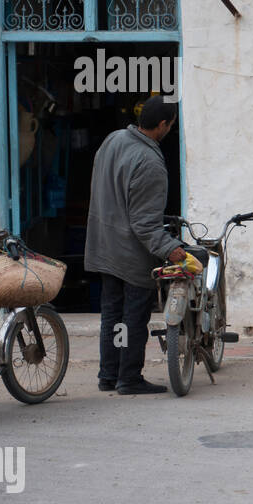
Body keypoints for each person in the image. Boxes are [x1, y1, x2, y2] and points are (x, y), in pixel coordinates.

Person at [84, 96, 186, 394]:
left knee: (112, 313)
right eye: (171, 124)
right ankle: (128, 377)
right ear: (164, 125)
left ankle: (109, 374)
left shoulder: (113, 140)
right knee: (133, 317)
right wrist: (169, 248)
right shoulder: (150, 162)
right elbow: (145, 223)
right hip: (130, 253)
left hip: (104, 244)